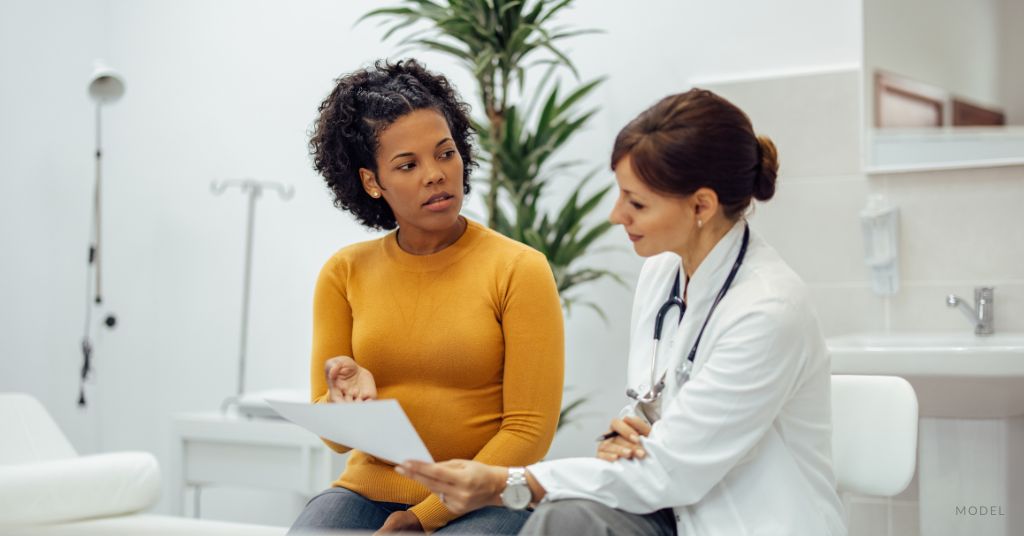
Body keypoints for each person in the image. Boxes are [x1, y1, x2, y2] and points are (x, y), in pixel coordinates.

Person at [397, 88, 848, 535]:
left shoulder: (767, 311)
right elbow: (647, 411)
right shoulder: (662, 273)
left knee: (560, 519)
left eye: (636, 202)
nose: (616, 215)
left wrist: (505, 482)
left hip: (746, 522)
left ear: (701, 206)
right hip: (669, 510)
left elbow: (670, 470)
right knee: (564, 520)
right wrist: (623, 433)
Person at [288, 59, 565, 535]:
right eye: (408, 164)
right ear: (372, 182)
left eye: (445, 153)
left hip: (485, 497)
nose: (436, 175)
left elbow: (528, 432)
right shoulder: (344, 272)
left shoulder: (519, 269)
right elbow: (334, 440)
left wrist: (423, 519)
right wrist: (341, 403)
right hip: (367, 491)